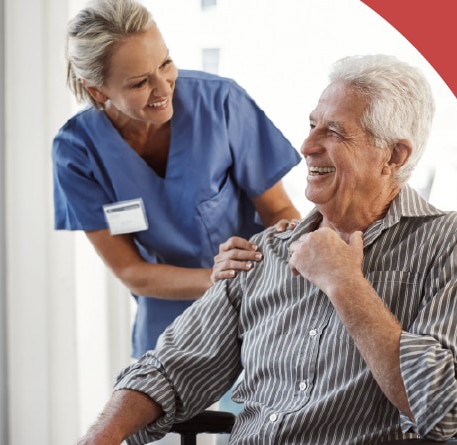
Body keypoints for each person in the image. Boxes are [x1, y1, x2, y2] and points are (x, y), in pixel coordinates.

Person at [76, 54, 457, 445]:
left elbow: (442, 409)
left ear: (393, 156)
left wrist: (345, 283)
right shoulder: (266, 250)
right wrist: (101, 436)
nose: (306, 146)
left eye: (334, 131)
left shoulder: (449, 240)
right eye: (312, 125)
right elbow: (170, 370)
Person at [52, 0, 302, 365]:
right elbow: (130, 271)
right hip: (166, 311)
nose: (163, 88)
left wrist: (294, 260)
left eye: (166, 63)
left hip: (257, 292)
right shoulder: (77, 151)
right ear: (98, 91)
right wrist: (216, 278)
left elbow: (278, 210)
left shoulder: (220, 103)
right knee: (159, 412)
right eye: (139, 82)